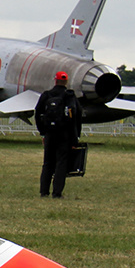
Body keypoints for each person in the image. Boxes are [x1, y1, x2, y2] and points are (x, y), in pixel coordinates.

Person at [35, 70, 82, 198]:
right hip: (65, 135)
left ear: (55, 80)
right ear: (66, 81)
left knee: (48, 162)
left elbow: (37, 113)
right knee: (61, 163)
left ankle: (44, 191)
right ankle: (57, 193)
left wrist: (43, 133)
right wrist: (75, 138)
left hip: (50, 134)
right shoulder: (69, 97)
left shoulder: (47, 95)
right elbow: (77, 117)